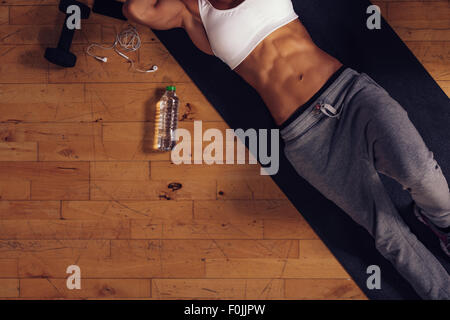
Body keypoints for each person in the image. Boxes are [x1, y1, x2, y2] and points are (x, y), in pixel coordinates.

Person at [121, 0, 450, 299]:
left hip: (350, 94)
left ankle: (443, 223)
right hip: (306, 135)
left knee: (420, 171)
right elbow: (136, 9)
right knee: (387, 233)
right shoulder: (191, 13)